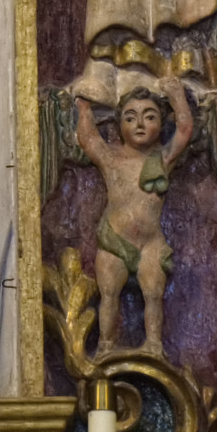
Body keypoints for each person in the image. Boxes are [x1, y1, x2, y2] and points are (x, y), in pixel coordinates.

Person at [75, 80, 193, 356]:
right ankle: (106, 344)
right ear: (119, 125)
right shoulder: (111, 158)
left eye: (149, 117)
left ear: (161, 124)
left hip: (150, 244)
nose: (140, 124)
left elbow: (185, 131)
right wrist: (84, 107)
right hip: (115, 240)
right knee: (109, 295)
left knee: (153, 294)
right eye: (131, 117)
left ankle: (153, 344)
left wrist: (177, 97)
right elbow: (90, 139)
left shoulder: (162, 159)